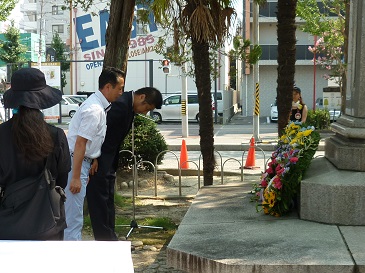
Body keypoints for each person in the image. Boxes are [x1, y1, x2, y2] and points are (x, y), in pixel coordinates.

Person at [0, 67, 71, 240]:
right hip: (49, 221)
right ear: (42, 100)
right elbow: (62, 179)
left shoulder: (1, 134)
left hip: (8, 219)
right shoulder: (57, 135)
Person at [86, 87, 163, 240]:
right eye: (146, 108)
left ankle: (110, 237)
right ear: (141, 97)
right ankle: (104, 240)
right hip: (99, 159)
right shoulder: (120, 105)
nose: (145, 113)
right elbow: (98, 133)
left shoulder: (129, 106)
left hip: (109, 161)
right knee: (99, 202)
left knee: (108, 200)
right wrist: (93, 157)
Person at [64, 67, 125, 241]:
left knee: (74, 215)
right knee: (73, 217)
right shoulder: (95, 110)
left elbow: (89, 142)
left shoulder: (99, 106)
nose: (121, 93)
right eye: (119, 88)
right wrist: (76, 176)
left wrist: (93, 159)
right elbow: (80, 143)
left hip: (82, 162)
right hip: (76, 162)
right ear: (107, 87)